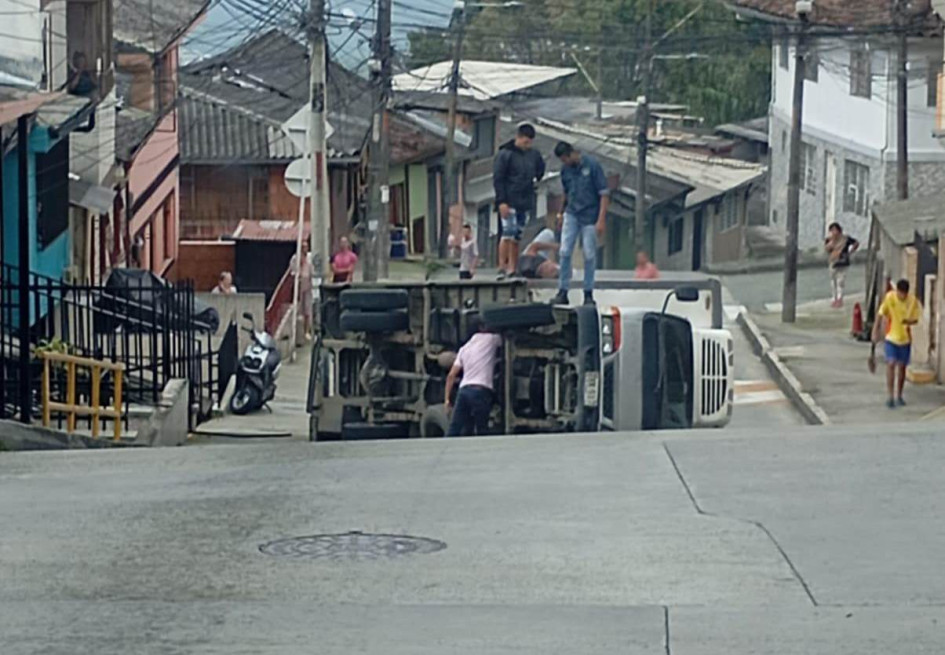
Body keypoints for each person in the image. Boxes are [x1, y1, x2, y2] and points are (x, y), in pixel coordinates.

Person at [550, 141, 610, 306]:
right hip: (572, 213)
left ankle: (588, 292)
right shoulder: (565, 171)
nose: (565, 163)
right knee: (564, 251)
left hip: (590, 215)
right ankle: (563, 290)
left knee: (589, 254)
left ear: (571, 154)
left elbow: (604, 194)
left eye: (565, 159)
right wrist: (560, 213)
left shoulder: (592, 166)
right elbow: (566, 193)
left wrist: (601, 220)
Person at [493, 123, 545, 279]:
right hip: (509, 200)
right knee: (507, 233)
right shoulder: (505, 154)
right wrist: (501, 201)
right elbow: (498, 179)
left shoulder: (534, 155)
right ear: (518, 137)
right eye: (525, 141)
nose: (527, 145)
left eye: (530, 142)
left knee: (517, 236)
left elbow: (540, 170)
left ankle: (512, 267)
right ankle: (502, 265)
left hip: (525, 201)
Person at [445, 324, 503, 437]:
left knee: (455, 428)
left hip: (463, 391)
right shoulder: (491, 339)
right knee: (482, 429)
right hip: (480, 390)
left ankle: (444, 450)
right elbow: (507, 340)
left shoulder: (464, 348)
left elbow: (451, 375)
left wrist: (447, 400)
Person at [871, 279, 921, 409]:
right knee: (891, 363)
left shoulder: (912, 301)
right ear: (897, 290)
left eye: (904, 294)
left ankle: (899, 394)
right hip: (891, 337)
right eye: (900, 293)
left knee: (902, 367)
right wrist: (875, 330)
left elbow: (916, 319)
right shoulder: (890, 298)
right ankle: (890, 396)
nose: (902, 296)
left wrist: (909, 321)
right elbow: (880, 314)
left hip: (905, 339)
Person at [825, 222, 859, 308]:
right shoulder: (829, 240)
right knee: (833, 280)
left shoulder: (845, 239)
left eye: (835, 230)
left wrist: (851, 251)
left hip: (843, 261)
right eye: (832, 230)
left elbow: (856, 243)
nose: (834, 232)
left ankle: (840, 298)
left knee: (841, 280)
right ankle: (834, 297)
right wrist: (831, 244)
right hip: (833, 261)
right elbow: (827, 249)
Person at [290, 250, 314, 341]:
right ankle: (298, 332)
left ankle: (307, 331)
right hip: (298, 283)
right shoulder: (295, 258)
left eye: (305, 247)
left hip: (307, 284)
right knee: (299, 310)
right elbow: (292, 271)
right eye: (302, 247)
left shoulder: (309, 258)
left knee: (307, 309)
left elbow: (312, 270)